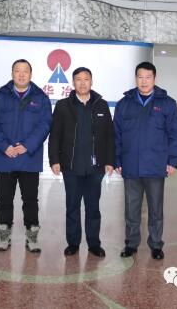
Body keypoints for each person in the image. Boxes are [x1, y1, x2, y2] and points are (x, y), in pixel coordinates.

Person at [114, 61, 177, 260]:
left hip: (155, 165)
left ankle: (156, 244)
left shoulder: (167, 103)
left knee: (155, 210)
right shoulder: (124, 103)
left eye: (148, 77)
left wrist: (173, 161)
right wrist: (117, 160)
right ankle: (131, 243)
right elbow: (115, 135)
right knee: (131, 209)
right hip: (131, 165)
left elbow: (175, 134)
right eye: (140, 77)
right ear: (135, 78)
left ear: (155, 78)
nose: (144, 81)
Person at [0, 59, 52, 253]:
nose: (21, 74)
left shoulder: (41, 97)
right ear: (12, 73)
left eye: (25, 71)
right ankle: (4, 236)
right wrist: (4, 146)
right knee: (4, 199)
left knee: (30, 200)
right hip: (5, 156)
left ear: (31, 74)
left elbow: (45, 124)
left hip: (29, 158)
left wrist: (27, 146)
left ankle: (32, 237)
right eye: (17, 71)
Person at [48, 67, 115, 258]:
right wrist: (54, 160)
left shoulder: (101, 105)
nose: (83, 83)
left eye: (86, 79)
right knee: (72, 207)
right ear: (73, 82)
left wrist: (109, 160)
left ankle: (94, 244)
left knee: (93, 208)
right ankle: (73, 243)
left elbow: (109, 136)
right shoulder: (63, 106)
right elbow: (55, 135)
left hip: (95, 168)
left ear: (91, 82)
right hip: (71, 167)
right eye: (78, 79)